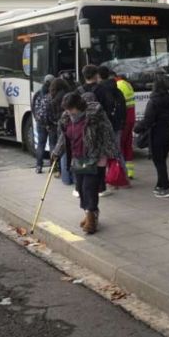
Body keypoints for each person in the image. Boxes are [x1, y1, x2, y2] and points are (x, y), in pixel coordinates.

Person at [52, 92, 118, 234]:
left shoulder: (95, 116)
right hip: (77, 157)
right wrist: (57, 152)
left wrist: (111, 154)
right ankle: (90, 213)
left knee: (89, 188)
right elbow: (64, 138)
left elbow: (108, 134)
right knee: (81, 189)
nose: (69, 112)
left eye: (71, 109)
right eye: (67, 109)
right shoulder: (67, 118)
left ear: (78, 106)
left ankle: (91, 219)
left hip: (94, 158)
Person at [135, 79, 169, 197]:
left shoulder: (153, 102)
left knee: (159, 162)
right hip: (168, 134)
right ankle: (159, 185)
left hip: (156, 135)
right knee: (162, 160)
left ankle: (165, 187)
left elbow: (148, 120)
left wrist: (137, 128)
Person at [98, 66, 128, 192]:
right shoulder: (118, 89)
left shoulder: (100, 90)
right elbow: (124, 109)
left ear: (99, 76)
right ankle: (122, 177)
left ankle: (109, 179)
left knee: (103, 153)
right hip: (117, 125)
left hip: (106, 126)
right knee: (117, 151)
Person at [32, 74, 55, 174]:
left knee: (40, 144)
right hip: (51, 123)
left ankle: (38, 166)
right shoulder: (53, 94)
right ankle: (53, 167)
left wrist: (37, 119)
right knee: (52, 145)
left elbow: (33, 107)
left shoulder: (38, 93)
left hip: (40, 123)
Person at [115, 73, 136, 179]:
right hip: (131, 118)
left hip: (124, 119)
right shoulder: (128, 84)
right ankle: (130, 172)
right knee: (128, 145)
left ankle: (122, 172)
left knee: (120, 145)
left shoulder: (119, 85)